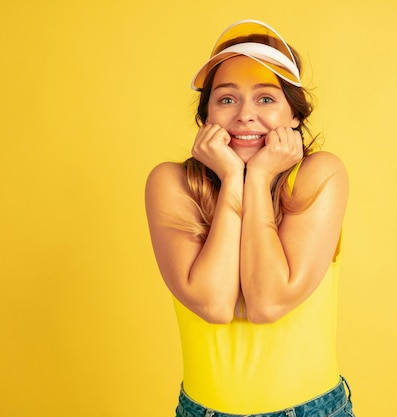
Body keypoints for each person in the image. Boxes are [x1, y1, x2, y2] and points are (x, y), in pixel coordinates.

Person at [145, 19, 353, 417]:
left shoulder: (318, 175)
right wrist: (231, 178)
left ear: (294, 114)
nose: (244, 116)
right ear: (206, 113)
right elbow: (214, 303)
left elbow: (268, 302)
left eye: (266, 99)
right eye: (226, 100)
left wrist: (257, 177)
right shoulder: (172, 183)